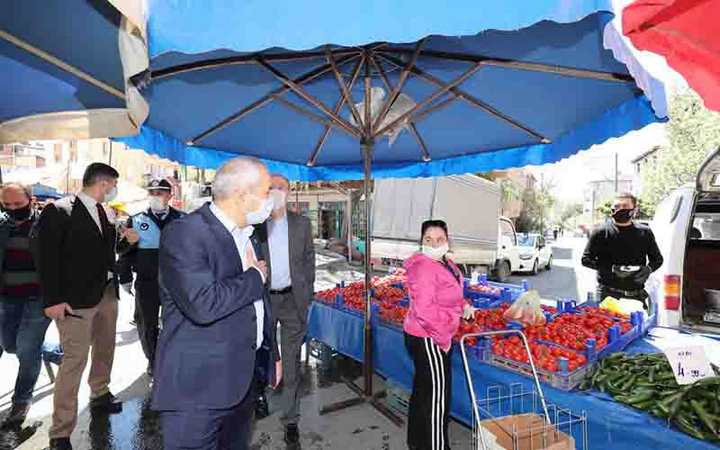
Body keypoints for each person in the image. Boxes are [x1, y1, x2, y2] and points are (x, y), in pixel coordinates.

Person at [153, 157, 281, 450]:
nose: (270, 200)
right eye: (266, 191)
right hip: (198, 390)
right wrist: (254, 277)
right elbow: (203, 304)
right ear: (242, 195)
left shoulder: (249, 234)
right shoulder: (186, 232)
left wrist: (271, 354)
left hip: (241, 382)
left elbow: (258, 307)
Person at [38, 163, 135, 450]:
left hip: (106, 293)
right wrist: (52, 300)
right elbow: (46, 258)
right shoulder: (59, 209)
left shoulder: (104, 211)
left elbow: (109, 252)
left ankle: (101, 394)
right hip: (74, 300)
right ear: (104, 183)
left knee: (105, 348)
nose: (113, 190)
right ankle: (60, 431)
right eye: (113, 185)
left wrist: (126, 242)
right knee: (74, 361)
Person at [403, 220, 474, 450]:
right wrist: (443, 338)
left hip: (429, 334)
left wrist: (463, 306)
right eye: (428, 240)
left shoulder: (447, 263)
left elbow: (449, 293)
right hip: (429, 337)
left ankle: (416, 443)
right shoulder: (423, 267)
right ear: (421, 242)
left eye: (440, 239)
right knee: (437, 400)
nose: (434, 244)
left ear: (447, 241)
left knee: (424, 391)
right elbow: (425, 311)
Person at [255, 174, 315, 444]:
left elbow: (309, 260)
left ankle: (291, 418)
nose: (276, 192)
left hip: (293, 301)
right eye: (272, 188)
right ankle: (258, 400)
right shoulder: (256, 224)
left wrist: (308, 291)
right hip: (264, 301)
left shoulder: (302, 224)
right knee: (262, 355)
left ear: (289, 192)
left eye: (281, 187)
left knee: (291, 363)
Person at [117, 178, 184, 377]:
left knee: (176, 321)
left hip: (176, 282)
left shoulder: (182, 219)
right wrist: (125, 277)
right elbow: (123, 251)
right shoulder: (137, 219)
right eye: (152, 193)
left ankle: (173, 358)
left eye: (160, 193)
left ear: (170, 195)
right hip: (147, 281)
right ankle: (154, 361)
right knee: (147, 323)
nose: (156, 196)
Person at [0, 183, 50, 429]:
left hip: (37, 299)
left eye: (18, 205)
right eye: (6, 205)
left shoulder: (46, 226)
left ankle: (21, 401)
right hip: (6, 298)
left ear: (31, 200)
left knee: (27, 349)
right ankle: (54, 351)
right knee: (9, 344)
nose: (12, 209)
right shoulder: (2, 226)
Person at [581, 192, 664, 311]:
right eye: (617, 206)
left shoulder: (645, 232)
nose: (620, 209)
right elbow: (586, 260)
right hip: (607, 295)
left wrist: (648, 269)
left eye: (625, 206)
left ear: (634, 210)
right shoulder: (600, 232)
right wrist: (612, 269)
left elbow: (657, 259)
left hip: (636, 296)